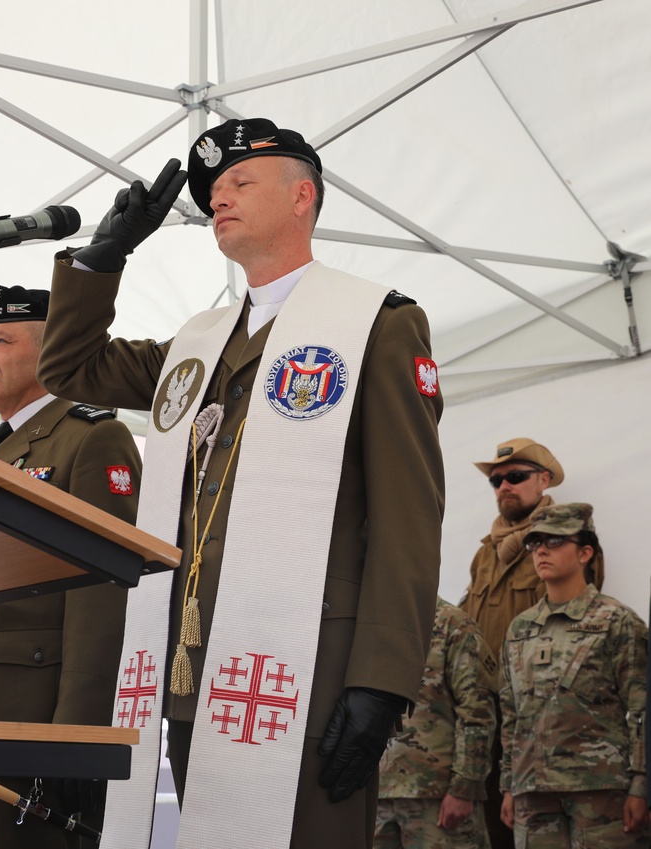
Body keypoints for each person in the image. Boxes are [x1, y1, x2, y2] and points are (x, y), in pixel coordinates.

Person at [37, 117, 444, 848]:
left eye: (238, 182)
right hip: (195, 662)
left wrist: (382, 673)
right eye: (211, 190)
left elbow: (406, 512)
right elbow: (67, 368)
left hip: (310, 663)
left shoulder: (376, 323)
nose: (216, 198)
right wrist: (104, 256)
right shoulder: (196, 342)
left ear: (301, 197)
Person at [0, 284, 142, 849]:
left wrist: (77, 742)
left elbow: (102, 594)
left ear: (51, 349)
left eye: (0, 340)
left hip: (32, 722)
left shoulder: (91, 436)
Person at [460, 438, 605, 849]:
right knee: (488, 823)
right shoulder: (486, 554)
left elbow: (581, 615)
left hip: (542, 711)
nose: (504, 485)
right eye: (496, 480)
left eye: (516, 476)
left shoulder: (566, 540)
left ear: (543, 479)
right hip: (486, 712)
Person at [499, 502, 648, 847]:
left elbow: (641, 709)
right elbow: (512, 714)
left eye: (554, 542)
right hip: (532, 792)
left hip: (600, 790)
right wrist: (509, 784)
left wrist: (642, 786)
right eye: (535, 544)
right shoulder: (520, 628)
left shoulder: (617, 621)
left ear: (585, 553)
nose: (541, 552)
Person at [376, 596, 498, 849]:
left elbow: (477, 712)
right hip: (374, 795)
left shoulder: (452, 624)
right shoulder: (371, 625)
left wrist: (464, 788)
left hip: (437, 796)